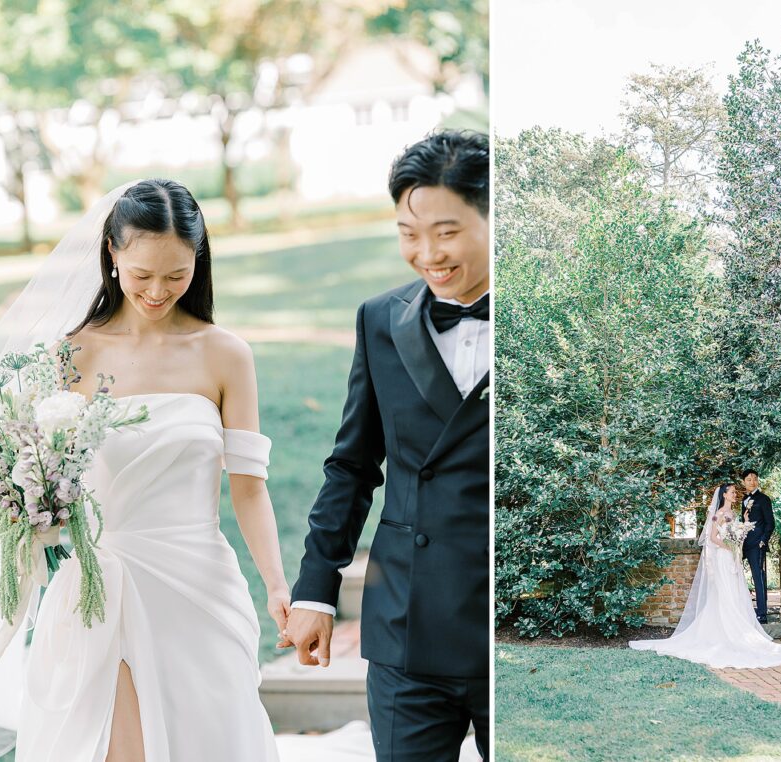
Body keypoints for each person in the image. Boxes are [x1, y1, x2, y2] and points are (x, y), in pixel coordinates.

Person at [0, 179, 288, 760]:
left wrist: (276, 583)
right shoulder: (72, 353)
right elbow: (38, 471)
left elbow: (249, 490)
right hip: (101, 585)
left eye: (177, 275)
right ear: (111, 255)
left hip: (197, 585)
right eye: (143, 274)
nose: (158, 291)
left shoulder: (225, 355)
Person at [282, 130, 490, 761]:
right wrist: (317, 589)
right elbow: (351, 466)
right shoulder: (379, 319)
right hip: (406, 625)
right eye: (408, 233)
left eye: (447, 231)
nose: (427, 253)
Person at [629, 483, 781, 669]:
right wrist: (729, 547)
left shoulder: (732, 513)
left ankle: (739, 630)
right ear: (723, 495)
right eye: (731, 492)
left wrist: (744, 526)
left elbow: (736, 533)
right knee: (724, 593)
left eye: (734, 492)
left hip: (732, 558)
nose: (734, 494)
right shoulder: (719, 514)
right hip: (724, 557)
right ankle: (724, 632)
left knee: (735, 593)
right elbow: (713, 538)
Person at [741, 469, 775, 623]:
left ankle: (762, 613)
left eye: (755, 479)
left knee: (758, 577)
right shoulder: (744, 499)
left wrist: (763, 540)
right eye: (748, 479)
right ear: (744, 482)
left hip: (757, 544)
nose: (752, 482)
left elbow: (770, 522)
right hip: (744, 544)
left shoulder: (764, 499)